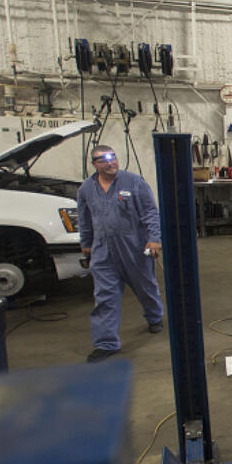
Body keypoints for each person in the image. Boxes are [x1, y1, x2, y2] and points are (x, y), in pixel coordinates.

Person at [77, 144, 164, 362]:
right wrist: (86, 242)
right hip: (103, 249)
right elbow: (84, 218)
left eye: (112, 158)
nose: (110, 163)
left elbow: (150, 212)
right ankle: (106, 343)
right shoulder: (86, 189)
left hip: (134, 246)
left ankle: (154, 317)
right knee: (105, 297)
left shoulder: (134, 182)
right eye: (103, 160)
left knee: (145, 286)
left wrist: (154, 239)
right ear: (95, 164)